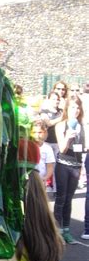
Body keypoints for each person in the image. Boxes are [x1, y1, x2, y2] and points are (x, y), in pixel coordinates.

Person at [54, 97, 85, 244]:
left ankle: (66, 231)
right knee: (61, 198)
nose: (76, 110)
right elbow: (62, 149)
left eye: (78, 107)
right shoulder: (61, 125)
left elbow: (83, 148)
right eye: (73, 107)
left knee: (69, 200)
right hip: (62, 165)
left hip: (76, 166)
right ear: (67, 109)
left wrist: (81, 167)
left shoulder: (82, 126)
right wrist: (68, 136)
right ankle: (55, 231)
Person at [31, 119, 55, 185]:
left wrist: (45, 178)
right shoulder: (28, 146)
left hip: (41, 180)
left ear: (45, 133)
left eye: (40, 132)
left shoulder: (47, 148)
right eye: (34, 132)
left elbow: (50, 166)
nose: (37, 135)